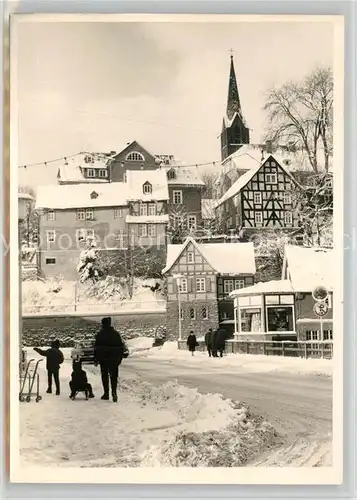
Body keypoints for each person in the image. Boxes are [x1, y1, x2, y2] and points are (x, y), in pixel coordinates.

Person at [94, 317, 129, 402]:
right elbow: (121, 346)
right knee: (114, 377)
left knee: (105, 376)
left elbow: (96, 348)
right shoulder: (116, 334)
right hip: (114, 359)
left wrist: (96, 359)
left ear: (103, 324)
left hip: (103, 359)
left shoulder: (100, 334)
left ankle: (106, 394)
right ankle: (114, 393)